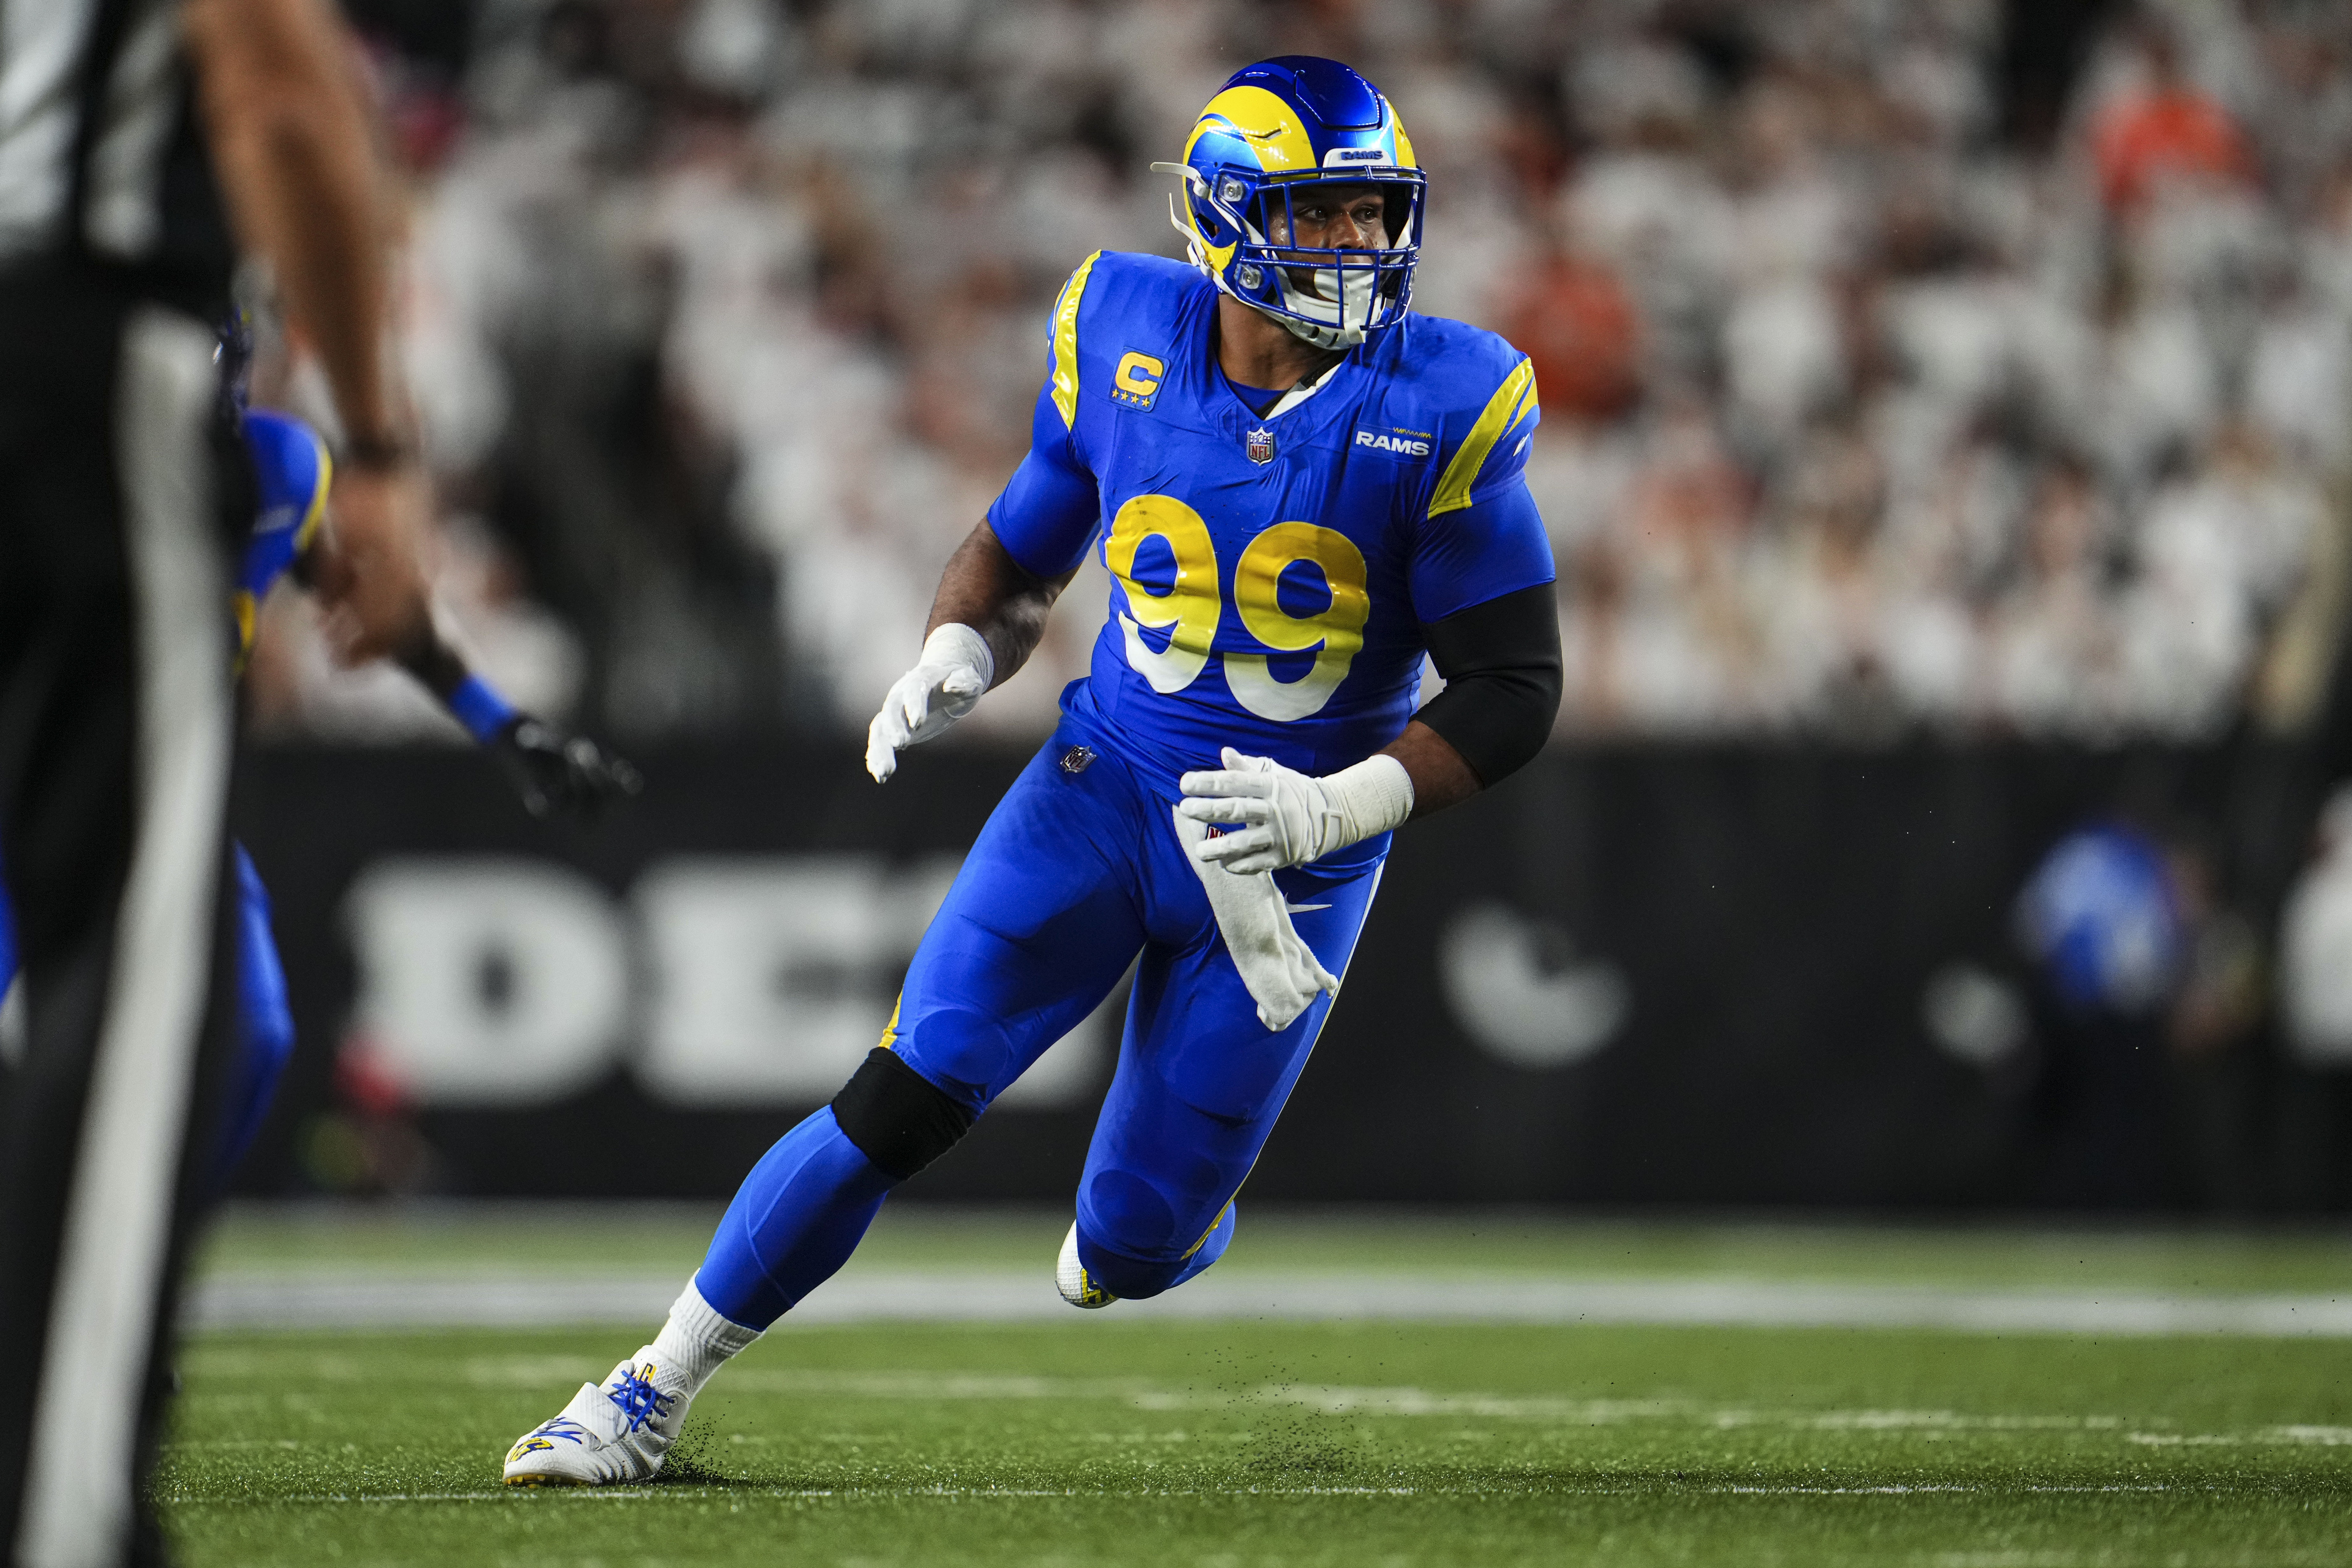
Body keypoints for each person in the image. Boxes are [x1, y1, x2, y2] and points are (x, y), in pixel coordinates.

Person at [501, 56, 1563, 1487]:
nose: (1361, 250)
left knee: (1128, 1240)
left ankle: (1154, 1227)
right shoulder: (1122, 330)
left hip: (1293, 857)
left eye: (1376, 217)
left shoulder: (1441, 402)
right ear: (1228, 220)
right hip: (1102, 789)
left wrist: (1341, 801)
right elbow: (1016, 551)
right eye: (1323, 215)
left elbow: (1514, 685)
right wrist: (957, 644)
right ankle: (640, 1393)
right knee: (900, 1091)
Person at [0, 0, 430, 1559]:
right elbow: (271, 69)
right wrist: (381, 440)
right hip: (66, 342)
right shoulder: (261, 426)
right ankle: (56, 1507)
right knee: (133, 978)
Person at [0, 395, 641, 1194]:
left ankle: (117, 1253)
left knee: (250, 1032)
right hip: (26, 791)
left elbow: (377, 609)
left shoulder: (279, 471)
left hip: (158, 802)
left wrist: (502, 726)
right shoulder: (42, 453)